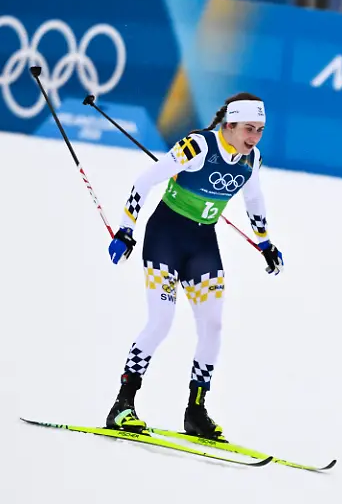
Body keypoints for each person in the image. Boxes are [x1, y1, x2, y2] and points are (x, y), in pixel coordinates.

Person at [104, 92, 284, 439]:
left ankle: (195, 412)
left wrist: (265, 242)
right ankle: (122, 404)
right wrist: (126, 229)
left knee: (213, 326)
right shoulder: (197, 147)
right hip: (165, 239)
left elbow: (254, 199)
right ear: (229, 125)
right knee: (160, 321)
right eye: (248, 129)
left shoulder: (252, 159)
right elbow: (145, 181)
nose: (254, 138)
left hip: (202, 245)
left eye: (260, 130)